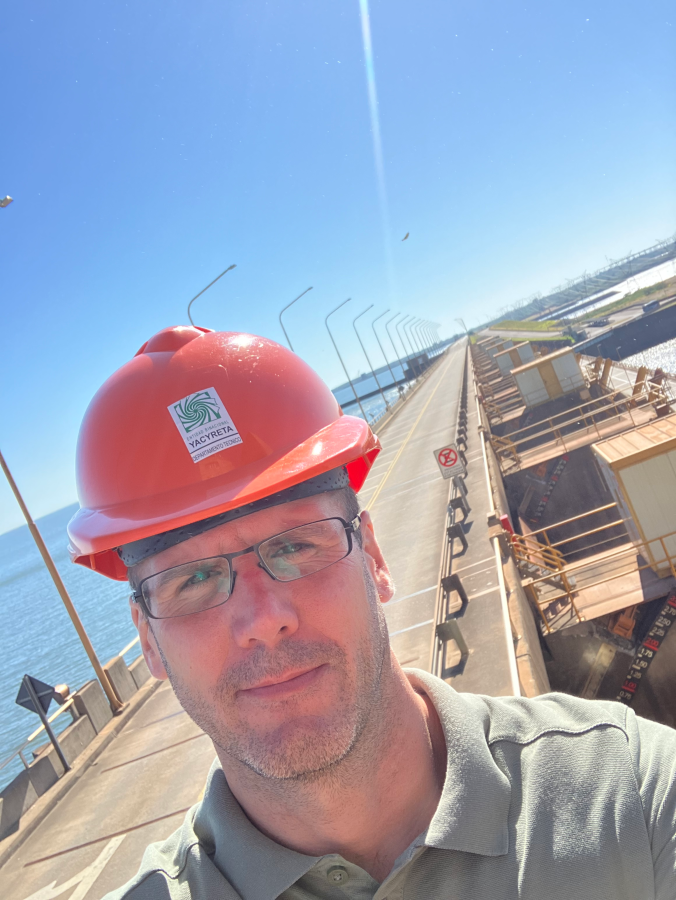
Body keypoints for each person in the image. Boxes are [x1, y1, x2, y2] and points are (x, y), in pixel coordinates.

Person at [69, 326, 676, 900]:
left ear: (375, 559)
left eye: (295, 545)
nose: (263, 619)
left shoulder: (626, 789)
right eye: (194, 579)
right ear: (148, 641)